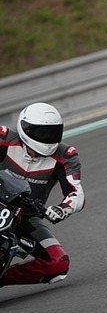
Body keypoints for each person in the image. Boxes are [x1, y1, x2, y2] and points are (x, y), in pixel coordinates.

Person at [0, 102, 85, 286]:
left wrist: (63, 209)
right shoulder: (4, 138)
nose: (48, 138)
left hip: (26, 218)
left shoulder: (66, 156)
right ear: (26, 129)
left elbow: (76, 192)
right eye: (42, 132)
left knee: (57, 263)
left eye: (53, 132)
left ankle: (2, 278)